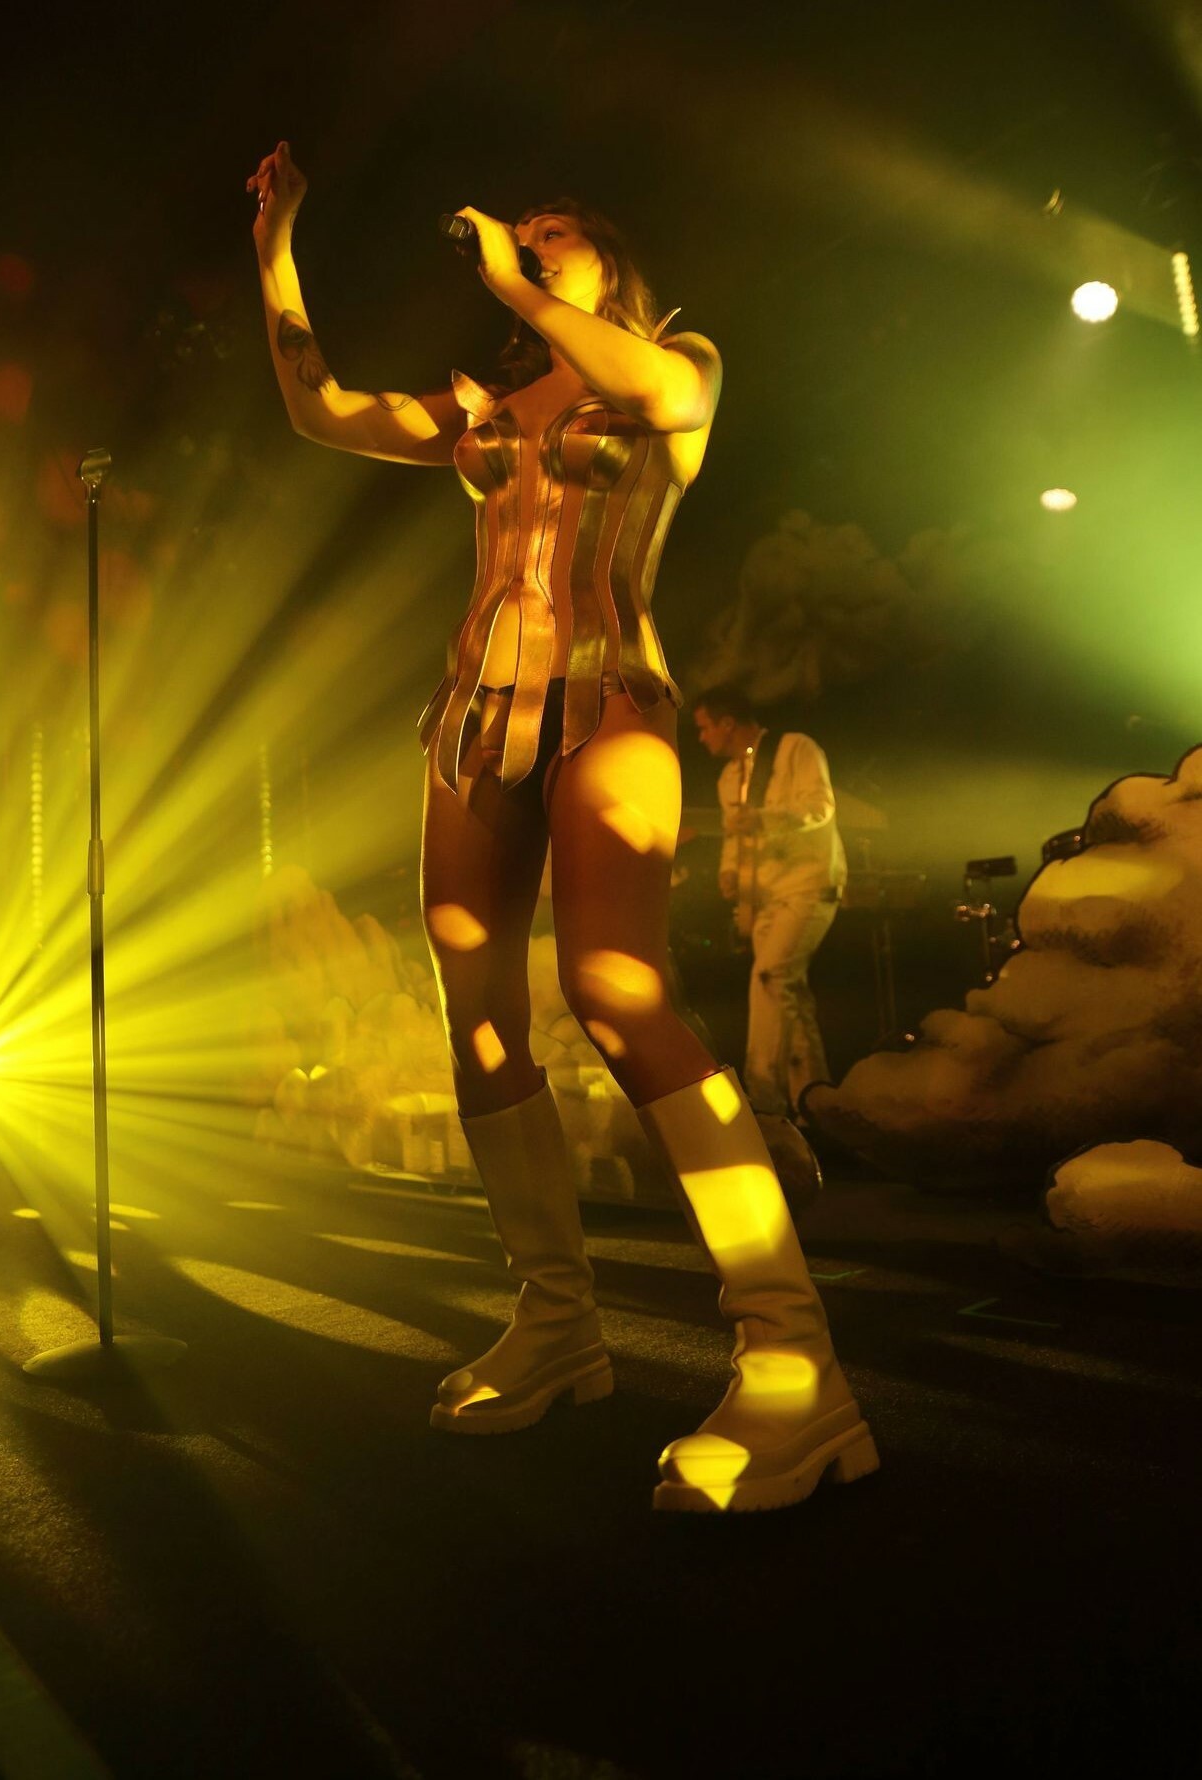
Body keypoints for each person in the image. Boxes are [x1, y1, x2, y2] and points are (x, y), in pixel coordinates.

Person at [247, 142, 877, 1512]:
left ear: (608, 261)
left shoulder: (675, 361)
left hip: (610, 704)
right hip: (475, 719)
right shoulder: (488, 403)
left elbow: (656, 396)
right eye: (519, 235)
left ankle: (794, 1359)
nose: (528, 243)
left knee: (615, 988)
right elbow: (322, 409)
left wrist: (519, 290)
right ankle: (555, 1320)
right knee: (474, 1016)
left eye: (555, 233)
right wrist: (276, 248)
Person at [693, 685, 847, 1122]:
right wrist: (729, 871)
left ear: (727, 723)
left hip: (807, 885)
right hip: (763, 897)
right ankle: (815, 1106)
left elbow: (820, 807)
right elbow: (734, 837)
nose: (701, 738)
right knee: (788, 996)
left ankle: (763, 1099)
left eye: (704, 728)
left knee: (770, 976)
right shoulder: (728, 779)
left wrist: (764, 819)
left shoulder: (795, 749)